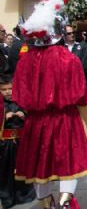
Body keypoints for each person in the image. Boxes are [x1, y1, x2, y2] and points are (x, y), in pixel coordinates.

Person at [13, 0, 87, 209]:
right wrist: (84, 120)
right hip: (64, 118)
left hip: (36, 121)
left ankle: (46, 202)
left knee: (40, 165)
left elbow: (17, 94)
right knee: (68, 161)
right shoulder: (69, 59)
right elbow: (81, 94)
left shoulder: (25, 61)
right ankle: (66, 201)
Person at [0, 75, 35, 208]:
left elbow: (31, 117)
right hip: (5, 144)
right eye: (4, 89)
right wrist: (4, 116)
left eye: (10, 88)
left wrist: (24, 114)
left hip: (21, 143)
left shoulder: (20, 101)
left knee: (22, 170)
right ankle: (7, 198)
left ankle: (24, 195)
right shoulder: (1, 105)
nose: (8, 92)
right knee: (6, 172)